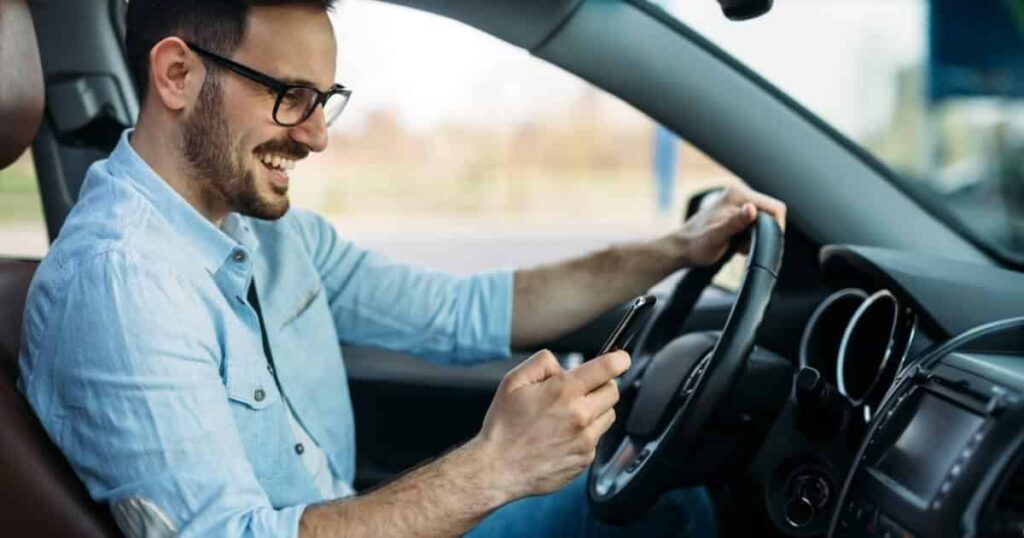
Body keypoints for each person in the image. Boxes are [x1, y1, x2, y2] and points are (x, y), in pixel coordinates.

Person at [17, 1, 786, 536]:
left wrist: (674, 249)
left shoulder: (269, 234)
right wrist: (497, 465)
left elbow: (467, 311)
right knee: (663, 510)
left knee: (650, 501)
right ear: (178, 75)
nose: (317, 136)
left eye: (325, 100)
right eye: (291, 96)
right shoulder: (122, 285)